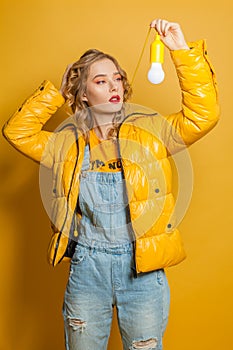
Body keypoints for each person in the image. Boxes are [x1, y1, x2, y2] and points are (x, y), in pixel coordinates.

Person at [2, 18, 219, 350]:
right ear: (84, 95)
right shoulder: (66, 145)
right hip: (87, 270)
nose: (114, 86)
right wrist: (58, 93)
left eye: (117, 78)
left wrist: (180, 51)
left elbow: (202, 115)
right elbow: (18, 132)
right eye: (101, 81)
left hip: (143, 272)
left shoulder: (151, 134)